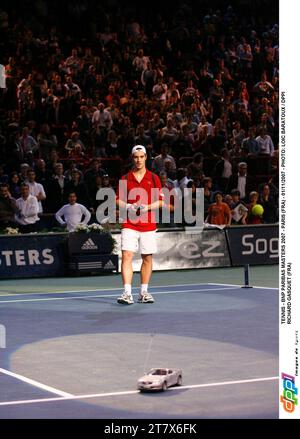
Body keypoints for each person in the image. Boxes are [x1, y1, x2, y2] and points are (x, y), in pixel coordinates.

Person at [116, 145, 164, 305]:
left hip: (148, 224)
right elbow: (118, 199)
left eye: (141, 157)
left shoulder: (154, 178)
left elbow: (161, 201)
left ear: (145, 158)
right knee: (127, 255)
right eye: (136, 157)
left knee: (147, 258)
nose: (138, 160)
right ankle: (127, 293)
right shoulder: (124, 178)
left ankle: (144, 292)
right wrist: (128, 206)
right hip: (129, 223)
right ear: (132, 158)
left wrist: (147, 207)